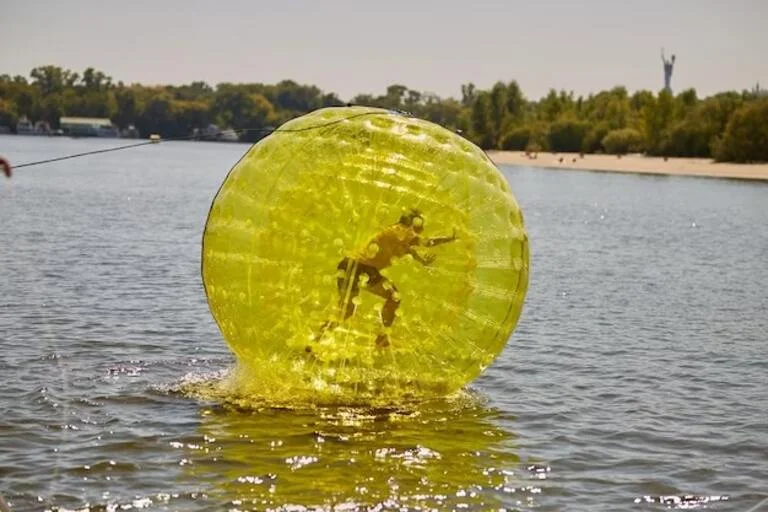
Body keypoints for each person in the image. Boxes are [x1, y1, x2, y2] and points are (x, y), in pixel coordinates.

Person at [314, 209, 457, 348]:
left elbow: (411, 251)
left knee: (347, 312)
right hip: (363, 268)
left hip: (347, 265)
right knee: (394, 296)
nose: (423, 228)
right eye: (421, 225)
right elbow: (427, 243)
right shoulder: (402, 231)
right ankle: (382, 337)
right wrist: (450, 238)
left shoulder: (397, 234)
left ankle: (317, 338)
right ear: (413, 224)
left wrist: (423, 261)